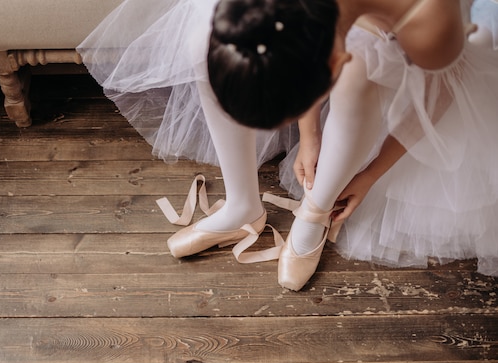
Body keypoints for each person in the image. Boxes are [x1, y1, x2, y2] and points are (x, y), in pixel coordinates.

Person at [78, 0, 498, 290]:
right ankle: (242, 204)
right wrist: (310, 131)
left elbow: (442, 94)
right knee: (204, 43)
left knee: (361, 78)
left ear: (333, 62)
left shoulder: (428, 26)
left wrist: (369, 175)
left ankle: (317, 210)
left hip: (411, 35)